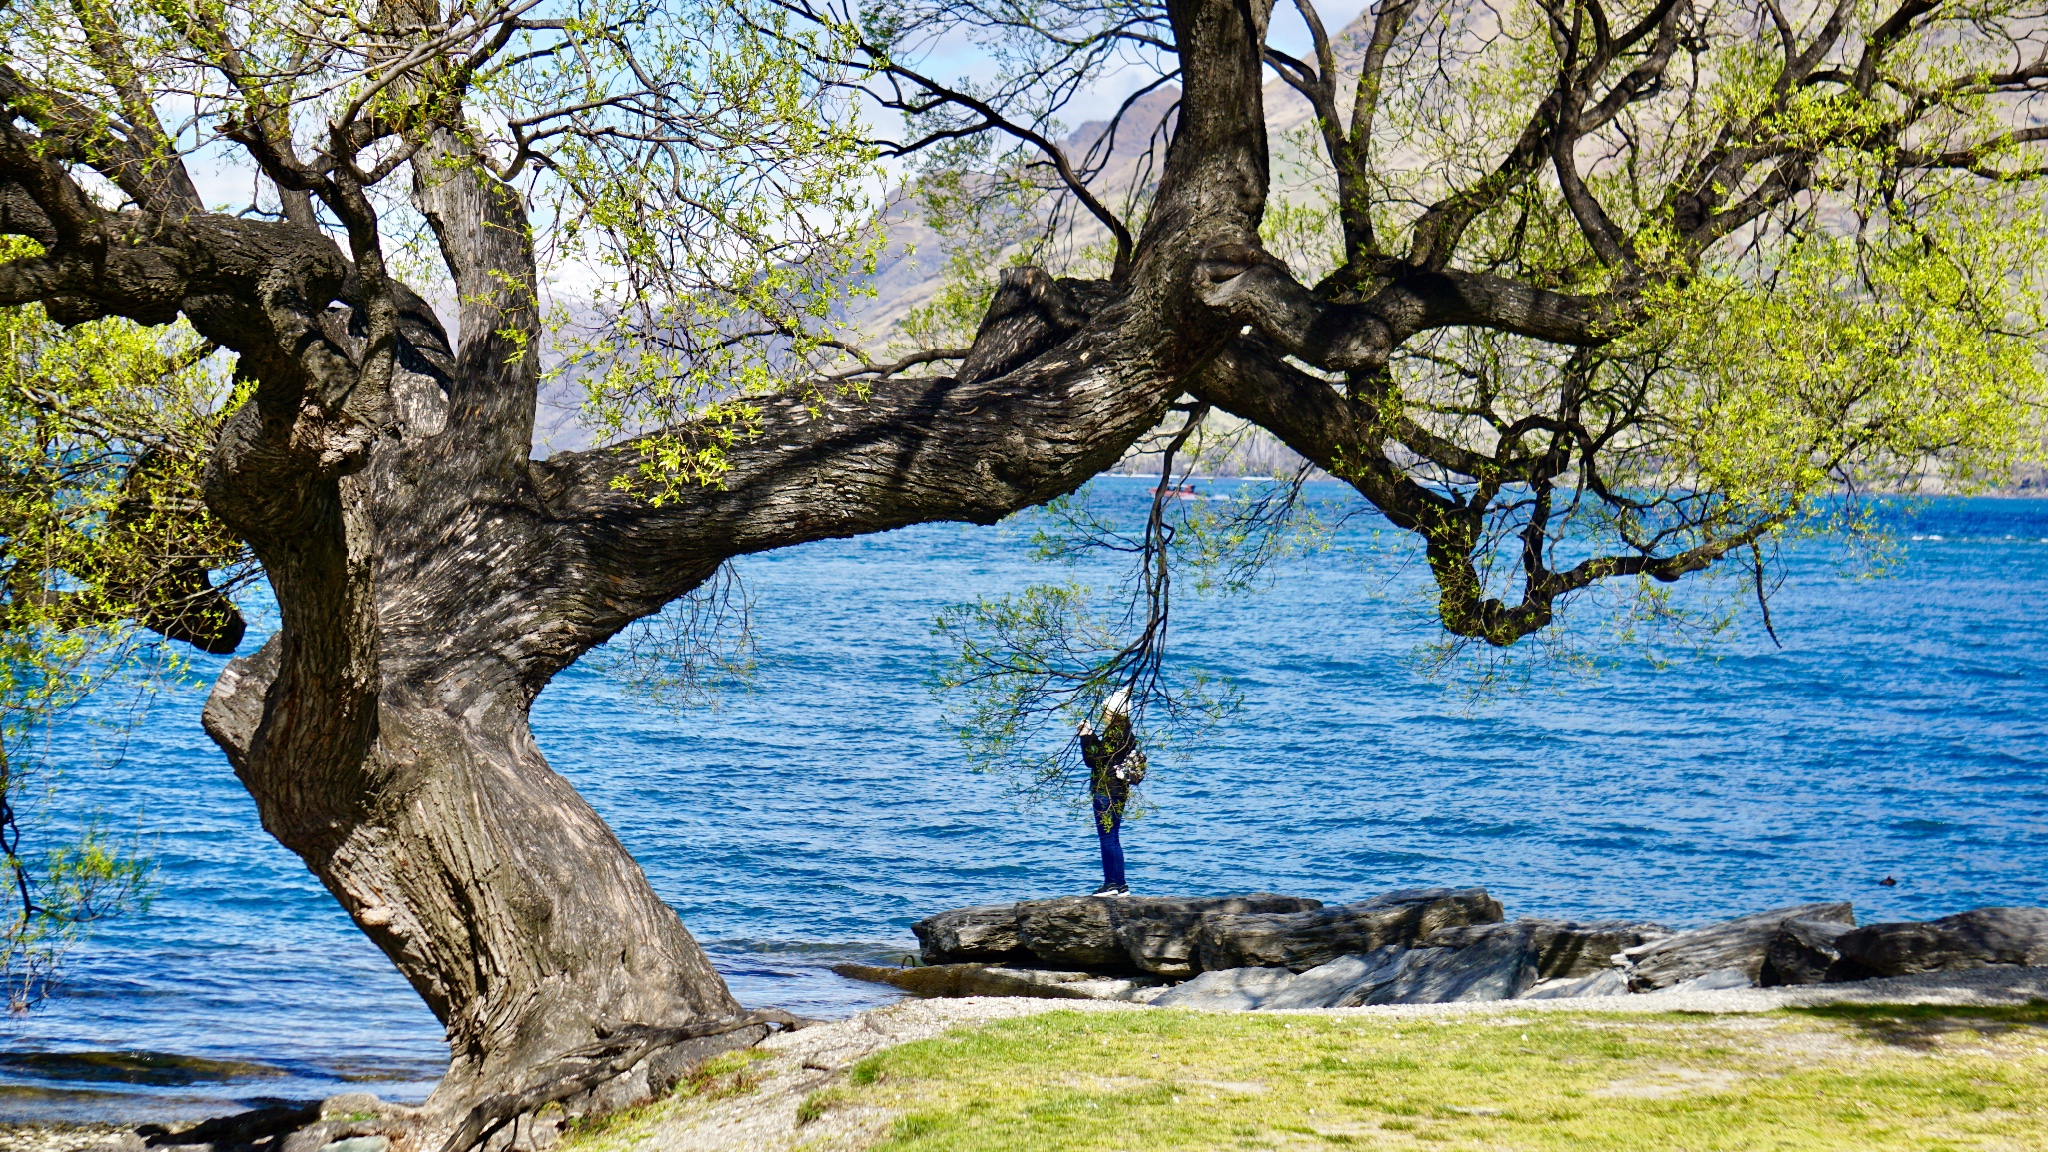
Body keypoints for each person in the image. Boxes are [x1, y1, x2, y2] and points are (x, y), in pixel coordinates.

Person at [1077, 688, 1147, 896]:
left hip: (1105, 789)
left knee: (1107, 838)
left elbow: (1093, 760)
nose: (1103, 714)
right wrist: (1092, 737)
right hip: (1120, 790)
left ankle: (1111, 884)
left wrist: (1086, 736)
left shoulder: (1112, 735)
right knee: (1114, 837)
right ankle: (1121, 884)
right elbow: (1105, 757)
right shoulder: (1127, 735)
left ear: (1112, 713)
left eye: (1106, 711)